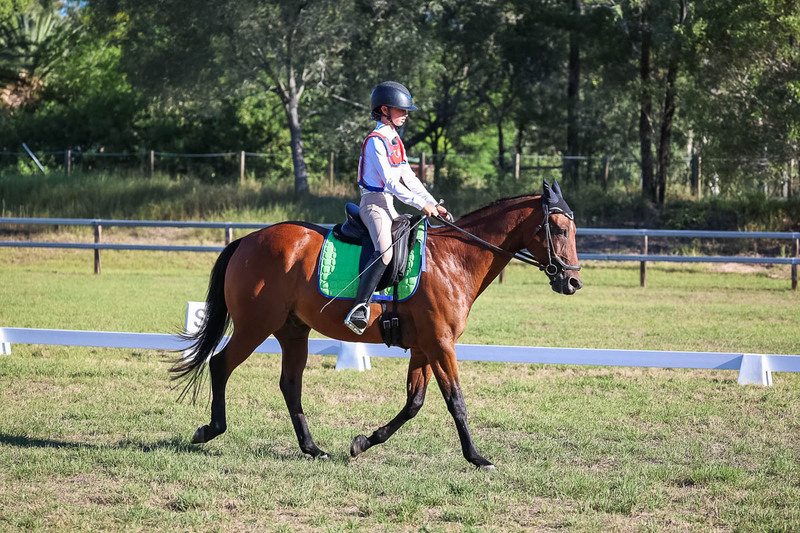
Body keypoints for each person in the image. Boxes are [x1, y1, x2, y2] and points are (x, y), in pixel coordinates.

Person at [344, 81, 448, 335]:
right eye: (401, 110)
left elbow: (409, 179)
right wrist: (420, 204)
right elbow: (390, 182)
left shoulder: (395, 141)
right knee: (385, 252)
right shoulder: (375, 141)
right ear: (384, 110)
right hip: (374, 205)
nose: (406, 114)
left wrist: (433, 203)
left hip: (389, 205)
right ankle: (359, 308)